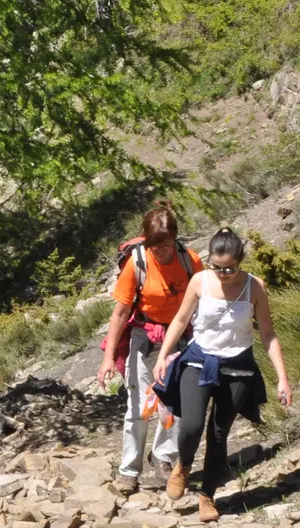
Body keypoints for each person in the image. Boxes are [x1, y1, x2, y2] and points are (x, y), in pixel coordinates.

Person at [150, 228, 293, 523]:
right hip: (200, 360)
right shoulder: (200, 281)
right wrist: (162, 356)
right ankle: (184, 465)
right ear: (209, 261)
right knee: (190, 424)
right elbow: (180, 319)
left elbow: (267, 334)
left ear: (240, 260)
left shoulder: (255, 287)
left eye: (230, 268)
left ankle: (208, 496)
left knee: (219, 432)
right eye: (217, 267)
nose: (224, 273)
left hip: (238, 366)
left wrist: (282, 377)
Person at [96, 201, 202, 495]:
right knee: (139, 408)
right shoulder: (138, 263)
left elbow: (204, 301)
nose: (161, 251)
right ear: (146, 241)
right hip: (145, 337)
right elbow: (119, 313)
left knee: (175, 405)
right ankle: (129, 471)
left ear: (175, 240)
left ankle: (164, 458)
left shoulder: (188, 260)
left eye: (166, 245)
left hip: (180, 338)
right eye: (155, 245)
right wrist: (107, 359)